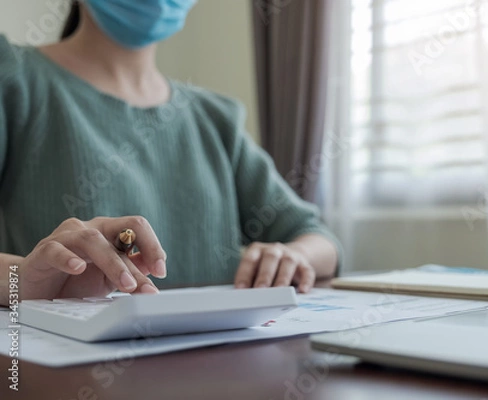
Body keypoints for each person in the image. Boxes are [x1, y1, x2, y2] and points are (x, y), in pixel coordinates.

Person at [0, 0, 340, 306]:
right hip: (61, 369)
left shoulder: (215, 119)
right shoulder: (14, 81)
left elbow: (318, 238)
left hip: (217, 364)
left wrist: (293, 256)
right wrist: (23, 277)